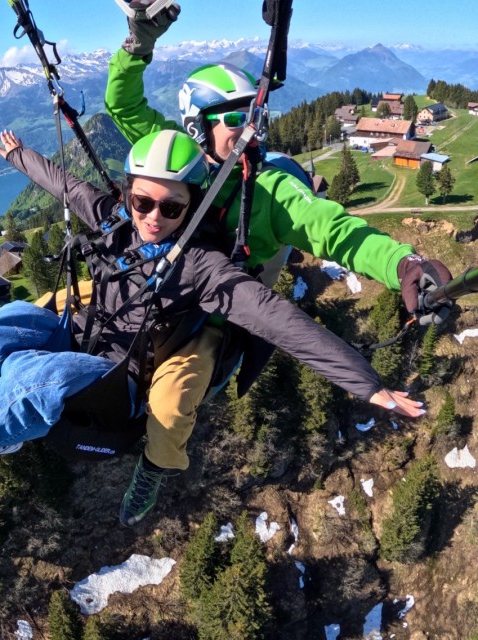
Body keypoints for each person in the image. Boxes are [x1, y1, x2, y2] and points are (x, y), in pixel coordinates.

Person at [0, 129, 425, 513]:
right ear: (127, 194)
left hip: (118, 373)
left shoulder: (203, 267)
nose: (152, 217)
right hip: (85, 333)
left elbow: (278, 320)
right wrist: (19, 155)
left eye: (171, 208)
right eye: (143, 200)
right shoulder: (116, 221)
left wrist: (369, 386)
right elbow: (68, 187)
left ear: (190, 209)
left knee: (35, 378)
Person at [99, 4, 454, 525]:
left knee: (172, 409)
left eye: (258, 115)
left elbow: (335, 231)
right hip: (154, 284)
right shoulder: (176, 157)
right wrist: (137, 46)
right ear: (198, 129)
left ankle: (152, 469)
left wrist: (403, 264)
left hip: (212, 312)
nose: (254, 129)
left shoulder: (268, 189)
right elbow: (122, 104)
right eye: (239, 118)